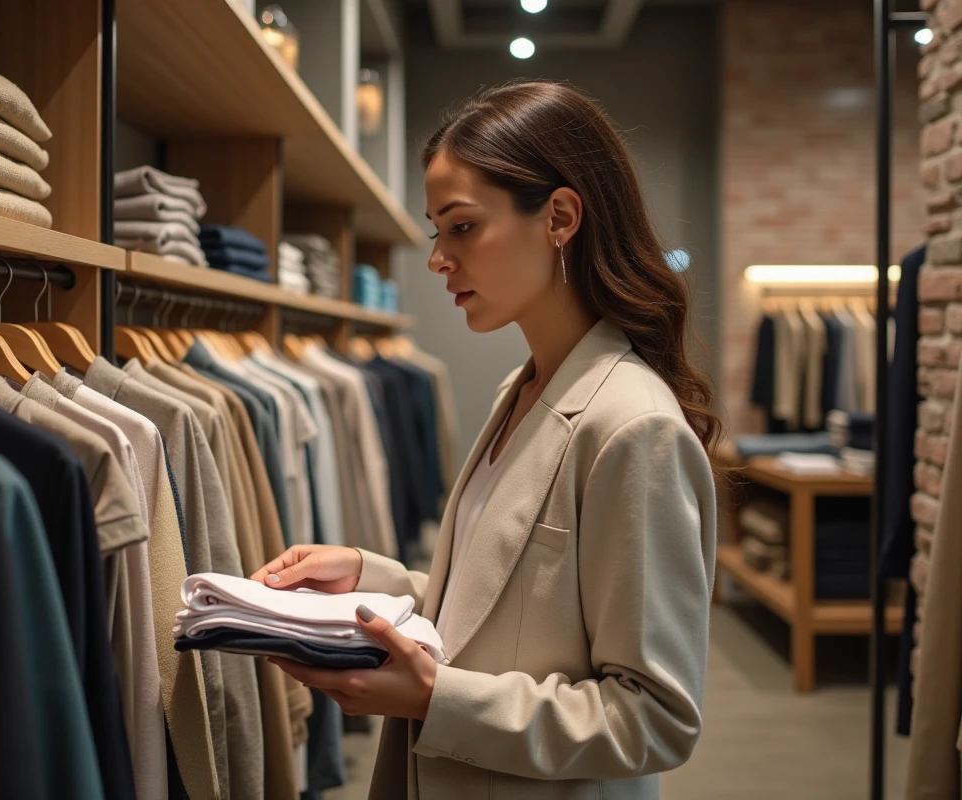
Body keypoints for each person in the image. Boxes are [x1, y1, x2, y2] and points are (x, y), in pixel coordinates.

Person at [251, 79, 720, 800]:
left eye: (461, 227)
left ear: (560, 216)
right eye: (438, 230)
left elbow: (654, 717)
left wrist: (436, 697)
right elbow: (496, 610)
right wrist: (367, 577)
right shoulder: (522, 390)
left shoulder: (633, 427)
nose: (438, 258)